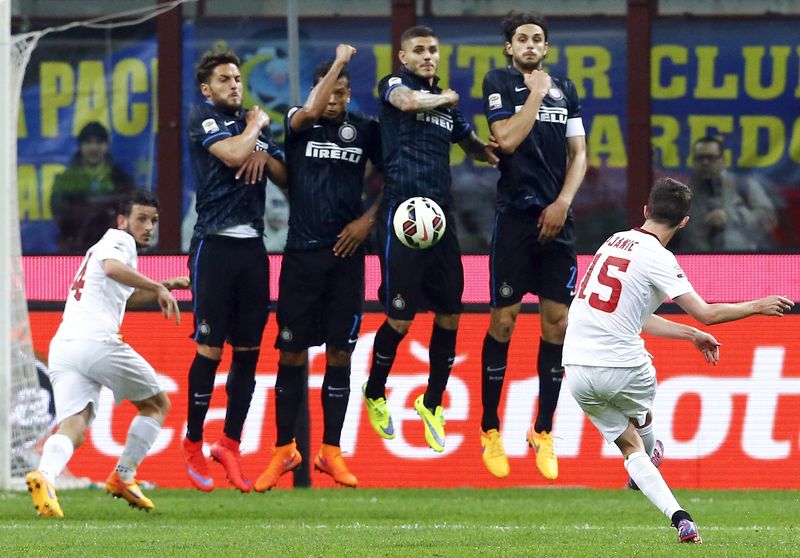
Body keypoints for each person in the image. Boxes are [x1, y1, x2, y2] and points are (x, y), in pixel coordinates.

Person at [562, 177, 793, 543]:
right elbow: (706, 313)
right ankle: (653, 451)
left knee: (628, 447)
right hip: (623, 367)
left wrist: (689, 335)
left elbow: (629, 314)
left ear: (645, 211)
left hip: (574, 368)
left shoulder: (611, 242)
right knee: (643, 422)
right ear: (684, 221)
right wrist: (757, 305)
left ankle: (681, 518)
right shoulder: (659, 257)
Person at [362, 26, 498, 454]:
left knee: (449, 315)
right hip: (402, 214)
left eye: (433, 50)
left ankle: (432, 402)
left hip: (440, 217)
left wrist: (493, 151)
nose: (427, 56)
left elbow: (469, 143)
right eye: (418, 50)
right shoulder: (395, 86)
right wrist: (445, 98)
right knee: (401, 320)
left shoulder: (448, 109)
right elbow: (406, 102)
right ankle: (375, 391)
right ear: (402, 57)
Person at [254, 45, 382, 491]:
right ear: (316, 90)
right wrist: (341, 62)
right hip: (301, 256)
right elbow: (308, 110)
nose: (337, 100)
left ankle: (330, 451)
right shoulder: (298, 123)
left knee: (340, 354)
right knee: (290, 353)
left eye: (344, 93)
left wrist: (367, 221)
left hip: (346, 258)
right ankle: (283, 450)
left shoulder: (365, 129)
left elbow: (396, 176)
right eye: (331, 91)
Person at [25, 190, 188, 517]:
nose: (148, 227)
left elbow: (122, 295)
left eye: (153, 221)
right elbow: (112, 269)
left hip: (64, 345)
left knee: (75, 424)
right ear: (122, 220)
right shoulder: (119, 240)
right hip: (95, 341)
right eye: (141, 219)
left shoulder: (104, 249)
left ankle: (45, 477)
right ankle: (123, 476)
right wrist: (155, 287)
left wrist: (161, 285)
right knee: (157, 403)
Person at [478, 12, 587, 480]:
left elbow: (579, 153)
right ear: (509, 47)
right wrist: (536, 93)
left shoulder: (566, 89)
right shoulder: (499, 81)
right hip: (516, 217)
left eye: (537, 39)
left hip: (557, 219)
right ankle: (489, 427)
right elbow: (505, 138)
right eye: (521, 39)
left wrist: (563, 201)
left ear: (546, 46)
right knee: (502, 322)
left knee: (557, 323)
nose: (529, 45)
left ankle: (542, 429)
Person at [182, 50, 287, 492]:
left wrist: (267, 156)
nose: (234, 85)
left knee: (248, 353)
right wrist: (256, 127)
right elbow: (231, 154)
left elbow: (286, 176)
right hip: (215, 244)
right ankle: (192, 441)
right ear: (208, 88)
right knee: (210, 349)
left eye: (238, 79)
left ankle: (229, 443)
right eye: (224, 79)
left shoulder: (253, 125)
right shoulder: (204, 117)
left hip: (253, 250)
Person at [680, 136, 778, 252]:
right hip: (693, 260)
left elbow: (768, 217)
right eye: (700, 158)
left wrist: (730, 216)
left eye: (710, 157)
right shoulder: (683, 191)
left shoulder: (744, 185)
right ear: (693, 161)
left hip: (740, 259)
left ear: (722, 160)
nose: (705, 162)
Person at [50, 122, 135, 253]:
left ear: (106, 145)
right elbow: (59, 214)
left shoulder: (121, 179)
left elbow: (129, 212)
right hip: (75, 248)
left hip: (113, 250)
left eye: (99, 142)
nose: (94, 148)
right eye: (88, 142)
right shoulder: (66, 179)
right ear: (80, 146)